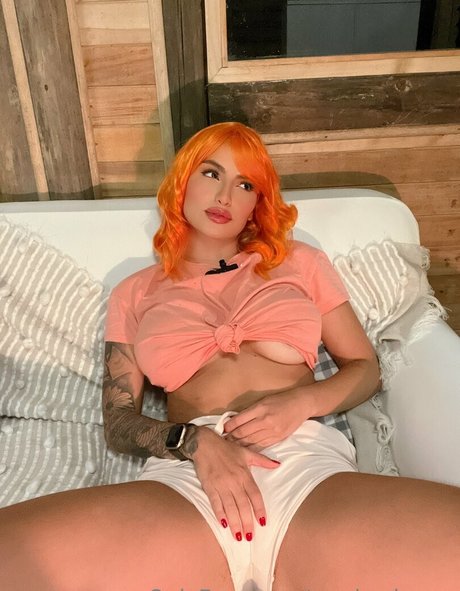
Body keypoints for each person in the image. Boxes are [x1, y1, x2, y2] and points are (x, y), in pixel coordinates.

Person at [0, 122, 459, 591]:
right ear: (183, 180)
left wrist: (301, 403)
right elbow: (118, 422)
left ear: (257, 202)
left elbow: (365, 369)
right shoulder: (133, 293)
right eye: (211, 173)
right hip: (186, 480)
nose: (225, 196)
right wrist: (193, 442)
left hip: (304, 466)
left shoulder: (299, 262)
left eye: (245, 185)